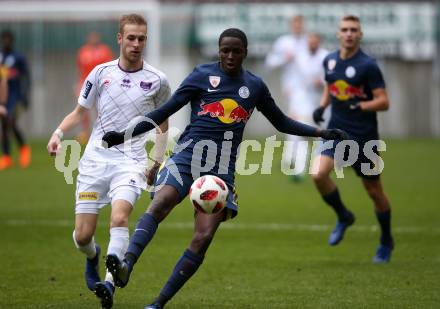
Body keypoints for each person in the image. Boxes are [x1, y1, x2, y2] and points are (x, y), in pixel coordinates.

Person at [102, 28, 348, 309]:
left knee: (203, 236)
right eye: (225, 50)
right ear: (218, 50)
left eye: (236, 51)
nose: (230, 56)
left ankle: (158, 304)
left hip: (220, 171)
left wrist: (322, 133)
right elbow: (164, 111)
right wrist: (123, 135)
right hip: (187, 157)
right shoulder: (200, 75)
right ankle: (126, 265)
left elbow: (281, 122)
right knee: (160, 203)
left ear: (245, 52)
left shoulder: (254, 86)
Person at [46, 14, 170, 308]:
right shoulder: (100, 73)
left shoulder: (157, 81)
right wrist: (58, 133)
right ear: (119, 38)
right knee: (82, 235)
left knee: (120, 218)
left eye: (141, 38)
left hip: (131, 162)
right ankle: (92, 255)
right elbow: (79, 112)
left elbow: (163, 126)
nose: (136, 44)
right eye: (131, 38)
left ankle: (110, 284)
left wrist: (156, 161)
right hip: (96, 160)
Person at [311, 15, 394, 263]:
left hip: (364, 139)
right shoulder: (330, 60)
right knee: (318, 174)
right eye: (345, 29)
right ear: (338, 34)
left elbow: (384, 101)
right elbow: (330, 85)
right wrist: (322, 106)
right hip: (336, 131)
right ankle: (343, 215)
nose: (349, 33)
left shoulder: (368, 65)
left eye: (353, 30)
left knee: (374, 191)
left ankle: (386, 240)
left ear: (360, 35)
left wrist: (363, 105)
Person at [265, 15, 310, 176]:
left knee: (300, 122)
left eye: (300, 24)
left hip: (309, 91)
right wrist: (285, 58)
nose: (298, 27)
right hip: (292, 91)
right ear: (291, 26)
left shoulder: (308, 42)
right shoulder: (284, 42)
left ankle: (294, 162)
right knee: (297, 122)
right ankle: (294, 162)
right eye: (295, 24)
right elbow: (270, 62)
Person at [0, 30, 31, 170]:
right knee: (5, 124)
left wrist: (25, 96)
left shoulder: (18, 57)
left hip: (15, 96)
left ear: (12, 41)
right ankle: (7, 156)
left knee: (9, 122)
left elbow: (26, 77)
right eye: (4, 39)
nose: (6, 42)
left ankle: (22, 149)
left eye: (9, 39)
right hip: (2, 96)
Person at [76, 31, 114, 144]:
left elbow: (109, 68)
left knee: (101, 109)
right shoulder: (83, 51)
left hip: (101, 85)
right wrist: (79, 85)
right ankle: (85, 133)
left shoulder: (105, 50)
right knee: (83, 109)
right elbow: (80, 69)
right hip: (86, 85)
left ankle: (102, 132)